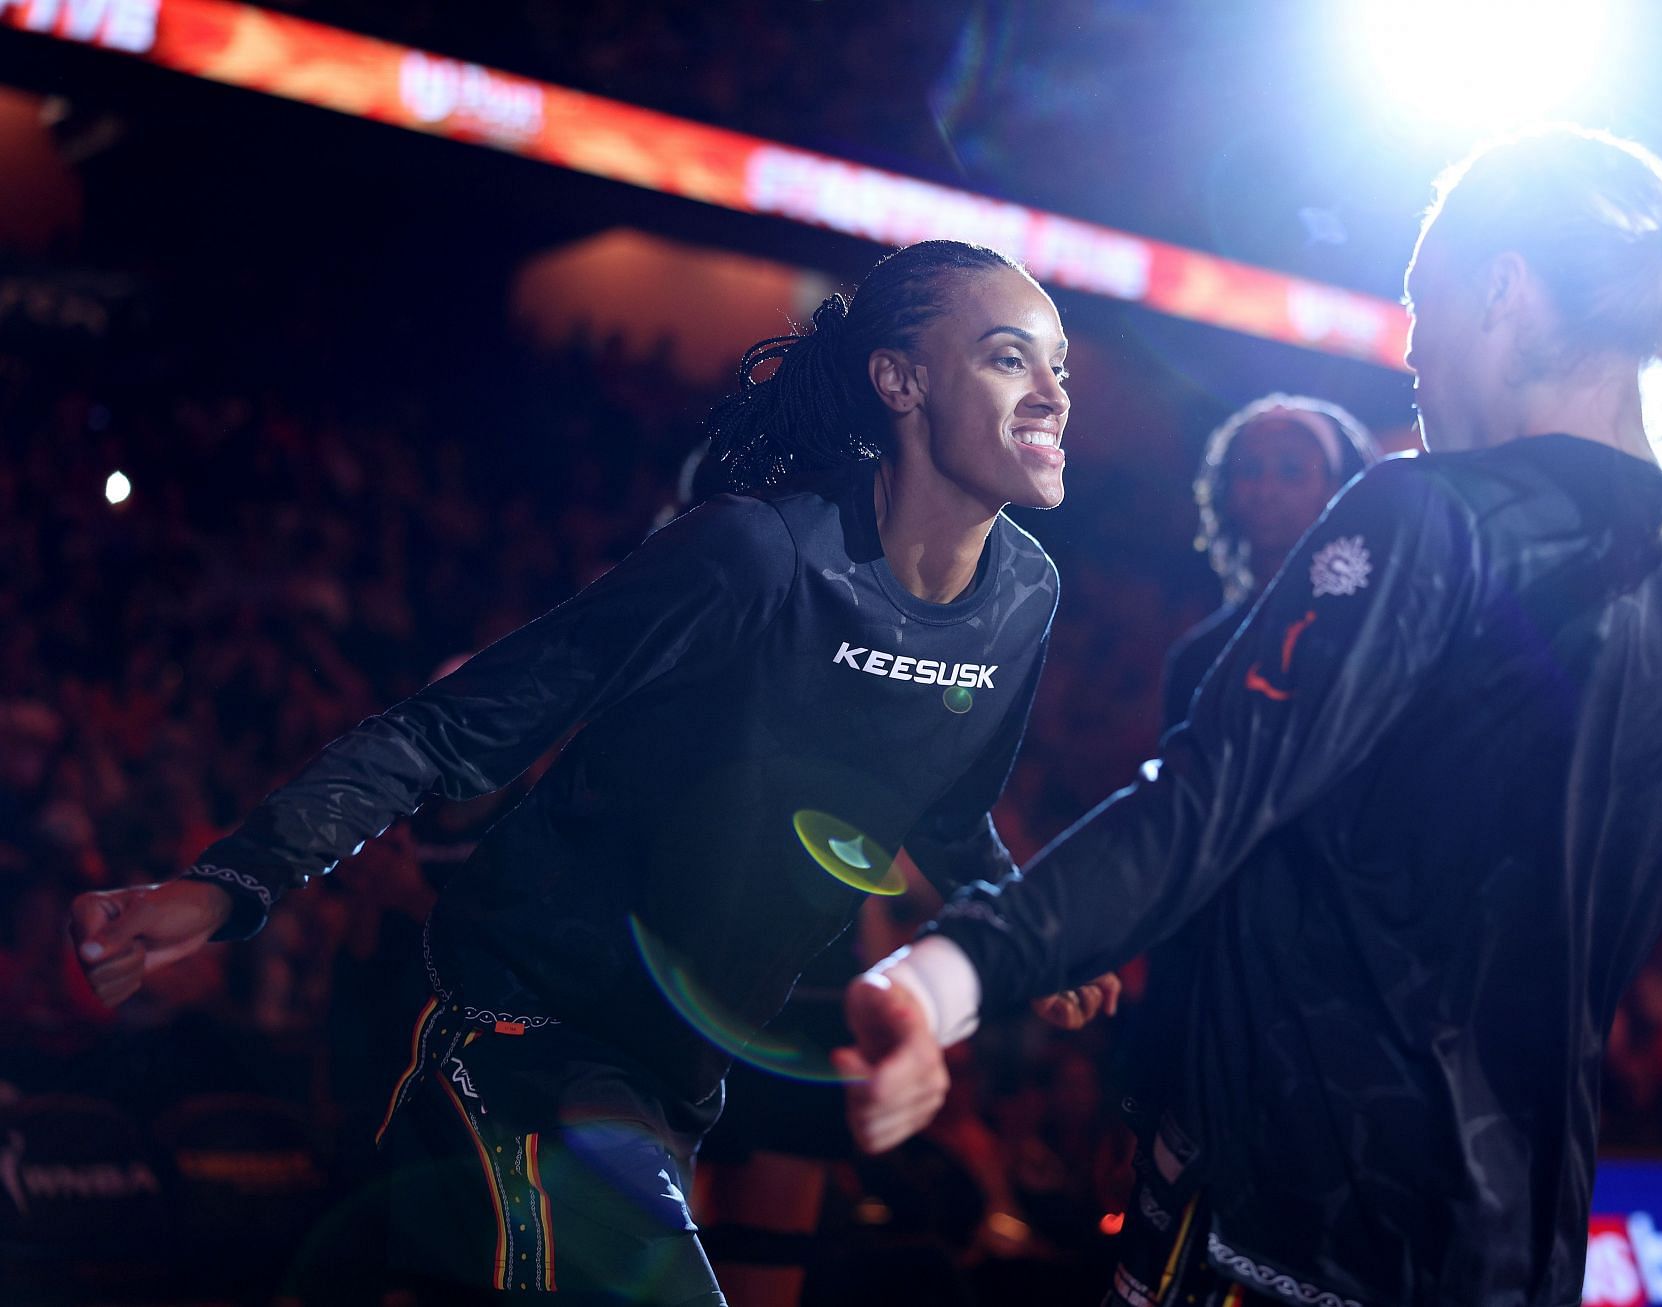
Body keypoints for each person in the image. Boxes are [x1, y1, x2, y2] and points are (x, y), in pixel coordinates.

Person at [835, 125, 1662, 1307]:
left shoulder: (1435, 513)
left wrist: (945, 971)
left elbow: (1207, 800)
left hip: (1294, 1216)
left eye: (1423, 307)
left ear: (1503, 289)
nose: (1412, 354)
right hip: (1513, 1243)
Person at [70, 238, 1089, 1304]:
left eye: (1061, 366)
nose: (1054, 394)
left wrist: (1029, 932)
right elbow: (452, 728)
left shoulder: (1026, 593)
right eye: (1011, 359)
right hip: (526, 1036)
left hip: (680, 1076)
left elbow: (954, 813)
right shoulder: (754, 554)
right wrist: (230, 882)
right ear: (901, 379)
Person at [1162, 395, 1379, 729]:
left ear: (1337, 490)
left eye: (1291, 471)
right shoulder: (1199, 658)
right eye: (1249, 470)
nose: (1265, 489)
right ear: (1226, 492)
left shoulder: (1369, 636)